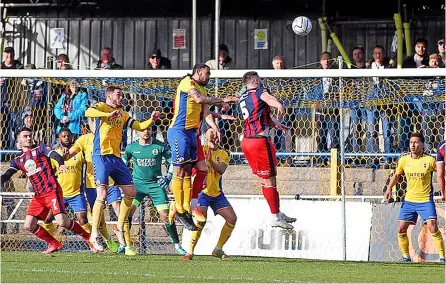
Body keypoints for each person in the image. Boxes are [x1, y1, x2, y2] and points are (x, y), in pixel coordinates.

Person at [84, 86, 159, 255]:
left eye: (122, 95)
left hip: (116, 157)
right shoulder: (102, 107)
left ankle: (119, 225)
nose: (121, 98)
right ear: (109, 96)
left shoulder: (123, 114)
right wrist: (107, 115)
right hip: (101, 155)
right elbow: (89, 112)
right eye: (118, 95)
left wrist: (151, 120)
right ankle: (94, 234)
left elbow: (139, 126)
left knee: (131, 191)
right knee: (102, 195)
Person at [0, 127, 94, 254]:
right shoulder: (18, 160)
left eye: (29, 135)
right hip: (39, 196)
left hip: (52, 191)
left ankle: (88, 237)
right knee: (29, 225)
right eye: (25, 136)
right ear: (18, 143)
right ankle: (54, 243)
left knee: (62, 221)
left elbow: (55, 156)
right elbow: (7, 175)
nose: (28, 138)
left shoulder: (41, 149)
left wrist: (61, 164)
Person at [167, 63, 238, 230]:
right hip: (179, 131)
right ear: (198, 72)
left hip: (192, 133)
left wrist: (215, 127)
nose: (209, 77)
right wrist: (223, 99)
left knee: (194, 169)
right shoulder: (187, 83)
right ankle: (180, 208)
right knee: (180, 170)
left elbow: (205, 113)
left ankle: (185, 208)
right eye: (207, 74)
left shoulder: (203, 89)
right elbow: (198, 99)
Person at [238, 71, 296, 229]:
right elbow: (268, 98)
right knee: (271, 180)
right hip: (259, 142)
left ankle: (276, 213)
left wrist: (276, 123)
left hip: (247, 142)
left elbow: (257, 116)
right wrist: (278, 104)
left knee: (265, 180)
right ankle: (274, 216)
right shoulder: (259, 91)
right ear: (256, 81)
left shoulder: (243, 96)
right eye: (260, 80)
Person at [123, 126, 187, 255]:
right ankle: (125, 245)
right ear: (137, 131)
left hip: (155, 186)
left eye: (149, 129)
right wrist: (124, 180)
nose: (146, 132)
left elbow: (173, 162)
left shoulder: (160, 146)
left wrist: (168, 177)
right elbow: (123, 165)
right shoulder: (131, 148)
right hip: (137, 186)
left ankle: (177, 245)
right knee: (128, 213)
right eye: (143, 129)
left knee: (166, 216)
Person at [384, 133, 445, 263]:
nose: (413, 145)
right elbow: (396, 176)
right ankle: (406, 257)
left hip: (425, 201)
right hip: (409, 201)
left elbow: (441, 173)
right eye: (411, 142)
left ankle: (442, 257)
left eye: (416, 142)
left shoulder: (430, 161)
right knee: (401, 228)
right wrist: (389, 189)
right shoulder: (404, 160)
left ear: (422, 145)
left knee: (433, 227)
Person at [64, 117, 121, 253]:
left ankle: (126, 243)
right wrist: (64, 156)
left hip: (110, 182)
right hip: (92, 184)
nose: (95, 123)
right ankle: (108, 240)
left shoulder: (110, 135)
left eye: (98, 120)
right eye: (92, 120)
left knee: (119, 210)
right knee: (99, 219)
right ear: (89, 123)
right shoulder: (84, 139)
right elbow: (70, 154)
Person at [182, 128, 237, 260]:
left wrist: (210, 160)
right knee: (201, 219)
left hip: (217, 193)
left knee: (232, 218)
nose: (214, 138)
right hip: (202, 193)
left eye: (216, 135)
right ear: (206, 138)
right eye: (211, 135)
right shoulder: (201, 150)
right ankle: (190, 251)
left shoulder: (224, 153)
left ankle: (218, 249)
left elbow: (221, 170)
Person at [42, 128, 91, 239]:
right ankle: (50, 242)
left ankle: (93, 241)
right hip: (59, 194)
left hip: (76, 193)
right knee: (47, 218)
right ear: (58, 138)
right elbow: (50, 173)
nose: (66, 138)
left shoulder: (79, 152)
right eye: (63, 136)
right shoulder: (54, 155)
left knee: (82, 219)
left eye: (68, 135)